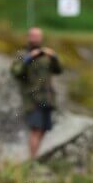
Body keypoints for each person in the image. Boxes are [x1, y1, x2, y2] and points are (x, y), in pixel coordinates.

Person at [10, 27, 62, 158]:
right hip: (32, 98)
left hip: (47, 97)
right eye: (33, 36)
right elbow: (16, 72)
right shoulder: (22, 55)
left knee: (44, 128)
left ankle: (35, 156)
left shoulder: (46, 56)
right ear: (29, 37)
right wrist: (28, 59)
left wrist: (54, 57)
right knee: (36, 128)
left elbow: (59, 70)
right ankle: (32, 159)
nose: (35, 39)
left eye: (38, 36)